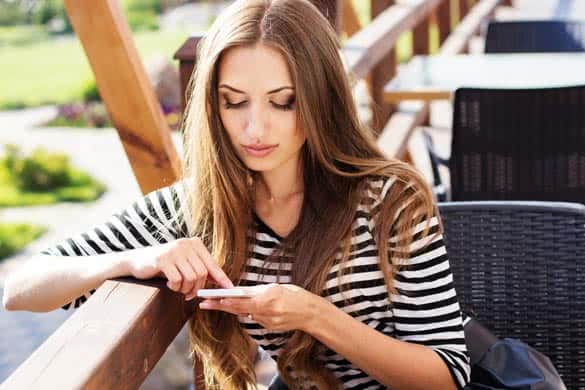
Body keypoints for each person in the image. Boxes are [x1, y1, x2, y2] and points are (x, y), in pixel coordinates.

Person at [3, 0, 470, 388]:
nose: (254, 128)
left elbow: (448, 377)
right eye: (234, 101)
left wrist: (314, 315)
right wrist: (132, 259)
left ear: (320, 97)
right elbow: (22, 289)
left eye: (282, 102)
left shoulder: (389, 199)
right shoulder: (202, 207)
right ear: (213, 104)